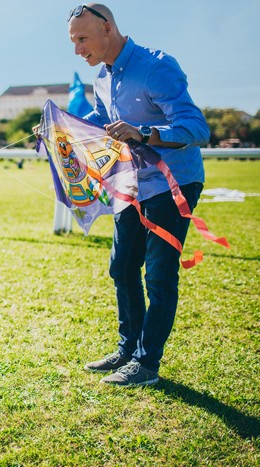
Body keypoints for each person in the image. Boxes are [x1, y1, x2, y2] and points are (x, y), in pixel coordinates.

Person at [68, 4, 210, 386]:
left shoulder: (157, 66)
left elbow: (196, 127)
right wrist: (60, 130)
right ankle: (127, 349)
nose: (77, 49)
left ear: (107, 28)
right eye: (73, 41)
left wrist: (144, 132)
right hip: (130, 183)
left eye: (82, 39)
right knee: (121, 267)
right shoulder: (101, 78)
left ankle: (147, 365)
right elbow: (100, 122)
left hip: (172, 184)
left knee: (159, 277)